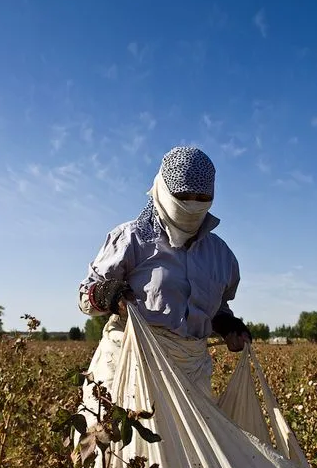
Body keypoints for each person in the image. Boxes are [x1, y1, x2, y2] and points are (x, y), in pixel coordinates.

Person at [77, 146, 251, 433]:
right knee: (127, 456)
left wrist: (226, 324)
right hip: (129, 368)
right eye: (183, 197)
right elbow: (85, 296)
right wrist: (107, 294)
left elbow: (217, 307)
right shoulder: (132, 239)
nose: (192, 206)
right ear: (163, 190)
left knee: (188, 463)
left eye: (202, 198)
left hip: (190, 373)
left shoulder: (221, 256)